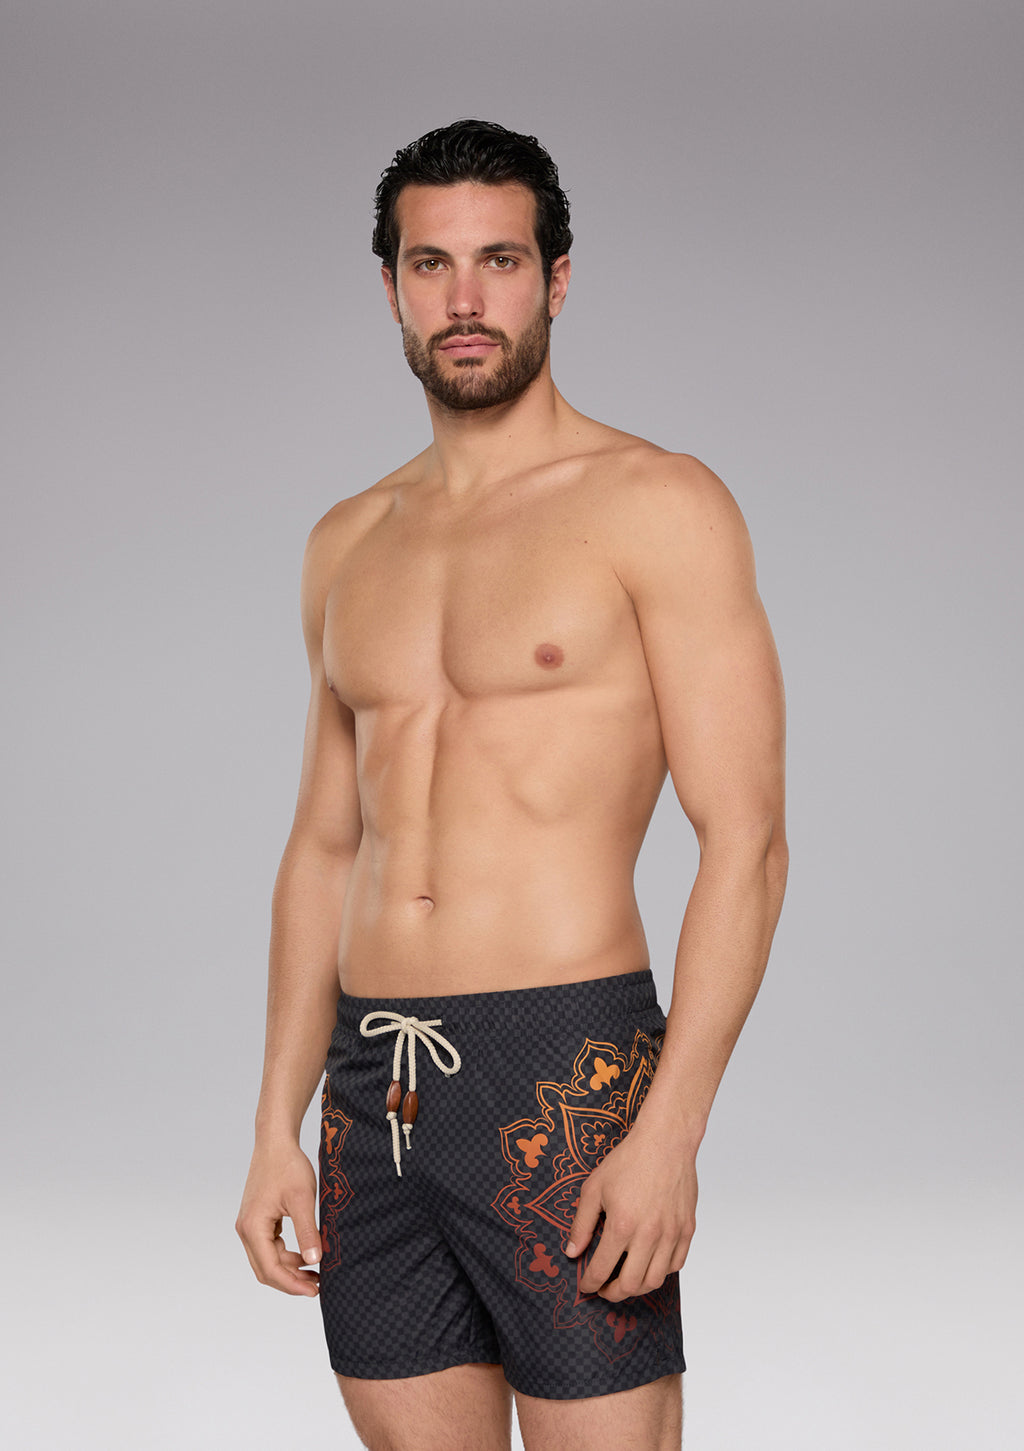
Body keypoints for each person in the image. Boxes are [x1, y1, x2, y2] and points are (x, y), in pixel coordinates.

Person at [236, 118, 788, 1451]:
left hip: (567, 1067)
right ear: (391, 287)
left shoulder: (657, 503)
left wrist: (669, 1132)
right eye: (432, 265)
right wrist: (274, 1128)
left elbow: (747, 840)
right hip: (375, 1089)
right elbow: (323, 849)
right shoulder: (347, 542)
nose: (466, 298)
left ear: (557, 278)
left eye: (501, 260)